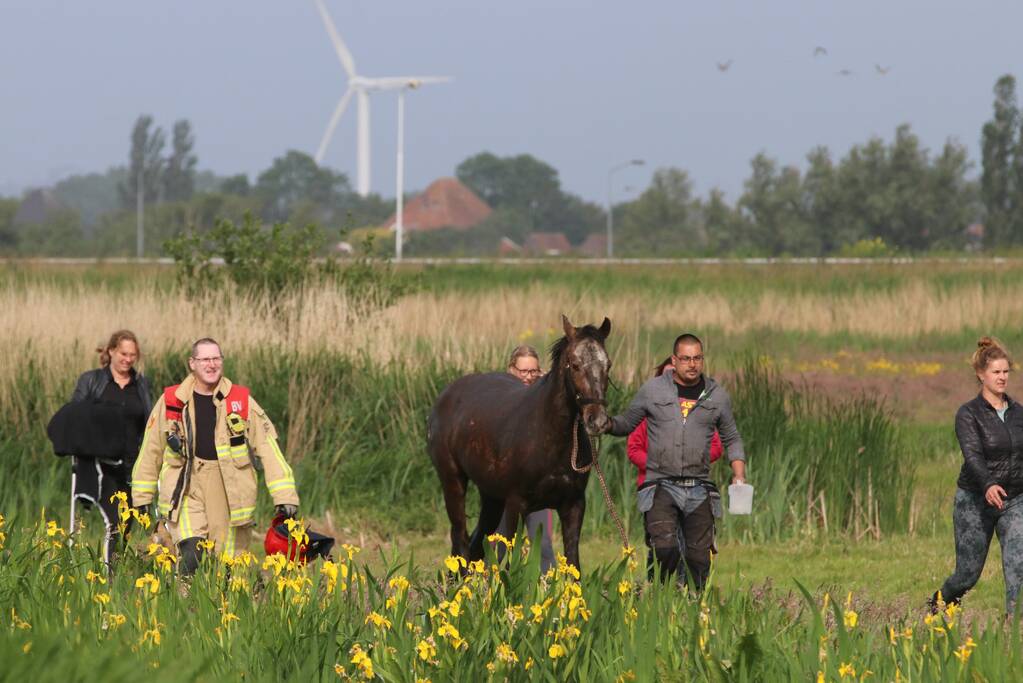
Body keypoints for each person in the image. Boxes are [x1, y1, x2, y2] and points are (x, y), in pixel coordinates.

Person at [131, 338, 300, 574]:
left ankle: (222, 607)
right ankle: (184, 606)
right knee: (191, 552)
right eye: (205, 359)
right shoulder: (172, 402)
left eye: (216, 358)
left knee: (228, 566)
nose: (211, 364)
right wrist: (141, 498)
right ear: (192, 363)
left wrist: (285, 496)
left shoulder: (240, 402)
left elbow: (268, 448)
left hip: (229, 490)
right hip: (187, 487)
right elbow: (150, 451)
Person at [607, 333, 746, 591]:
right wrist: (605, 423)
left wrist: (739, 474)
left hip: (700, 486)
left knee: (698, 556)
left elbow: (731, 437)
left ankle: (696, 607)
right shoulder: (652, 390)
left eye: (697, 358)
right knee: (665, 548)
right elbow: (626, 422)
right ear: (674, 359)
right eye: (685, 359)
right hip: (660, 485)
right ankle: (659, 599)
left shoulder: (717, 396)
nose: (692, 364)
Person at [932, 337, 1023, 614]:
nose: (1002, 377)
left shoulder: (1019, 413)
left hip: (1015, 500)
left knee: (1018, 566)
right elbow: (972, 456)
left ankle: (1014, 630)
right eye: (996, 372)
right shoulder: (968, 414)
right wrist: (988, 485)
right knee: (967, 576)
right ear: (980, 375)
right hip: (975, 501)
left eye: (1006, 371)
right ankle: (935, 610)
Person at [626, 356, 723, 579]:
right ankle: (659, 595)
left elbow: (716, 446)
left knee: (694, 549)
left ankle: (693, 598)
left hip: (695, 488)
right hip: (656, 489)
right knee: (663, 548)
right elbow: (634, 449)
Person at [67, 330, 152, 566]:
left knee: (126, 523)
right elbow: (76, 414)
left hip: (132, 464)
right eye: (123, 353)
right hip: (101, 464)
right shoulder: (92, 381)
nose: (128, 359)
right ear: (112, 351)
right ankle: (108, 577)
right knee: (114, 521)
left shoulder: (142, 384)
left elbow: (149, 420)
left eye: (133, 355)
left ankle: (116, 571)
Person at [496, 344, 556, 572]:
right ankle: (485, 592)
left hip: (538, 486)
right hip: (505, 489)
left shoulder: (545, 400)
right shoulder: (500, 399)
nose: (529, 377)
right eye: (524, 371)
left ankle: (548, 592)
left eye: (534, 372)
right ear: (512, 370)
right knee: (499, 545)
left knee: (544, 546)